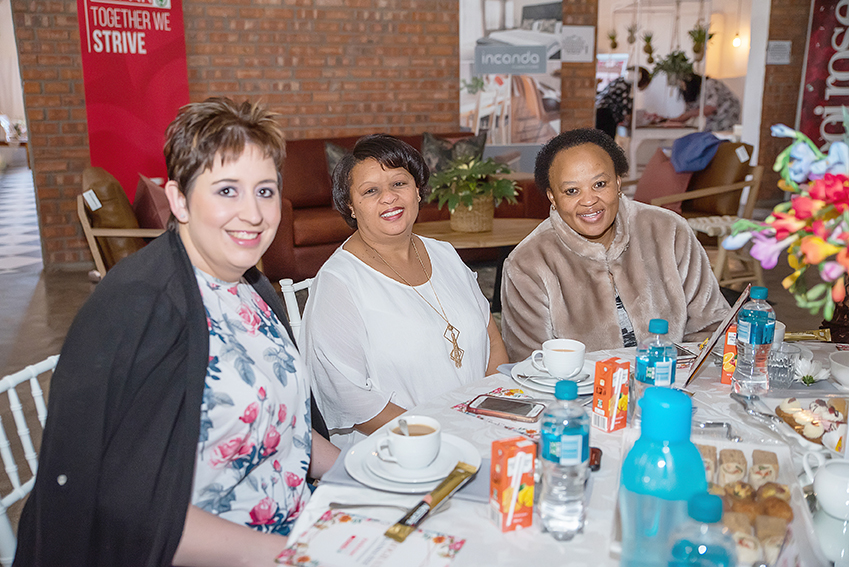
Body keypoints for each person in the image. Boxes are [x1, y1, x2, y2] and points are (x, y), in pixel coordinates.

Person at [14, 98, 340, 567]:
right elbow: (125, 513)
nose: (253, 213)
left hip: (294, 527)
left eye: (265, 191)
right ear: (179, 200)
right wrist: (296, 555)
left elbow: (283, 424)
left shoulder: (250, 286)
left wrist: (362, 468)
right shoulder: (142, 307)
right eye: (227, 190)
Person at [301, 134, 508, 445]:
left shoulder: (444, 254)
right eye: (370, 191)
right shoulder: (339, 283)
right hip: (398, 448)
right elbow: (348, 397)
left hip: (478, 431)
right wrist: (442, 434)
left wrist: (490, 415)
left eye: (399, 183)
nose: (389, 197)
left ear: (418, 190)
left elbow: (492, 338)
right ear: (350, 206)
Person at [500, 128, 729, 360]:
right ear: (553, 197)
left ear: (618, 182)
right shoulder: (527, 264)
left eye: (599, 184)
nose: (589, 200)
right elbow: (530, 363)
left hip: (671, 378)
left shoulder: (668, 231)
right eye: (572, 191)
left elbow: (712, 327)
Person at [669, 73, 740, 132]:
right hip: (713, 121)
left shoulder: (709, 84)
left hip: (726, 116)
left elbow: (710, 108)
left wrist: (688, 115)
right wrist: (672, 120)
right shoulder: (692, 94)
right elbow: (688, 112)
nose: (684, 89)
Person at [595, 66, 652, 138]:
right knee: (606, 140)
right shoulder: (624, 86)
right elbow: (626, 108)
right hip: (605, 114)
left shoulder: (620, 81)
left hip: (601, 111)